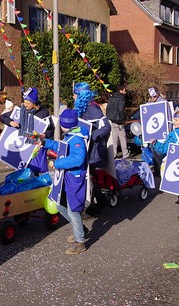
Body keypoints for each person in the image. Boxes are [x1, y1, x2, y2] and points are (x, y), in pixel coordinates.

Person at [42, 109, 89, 254]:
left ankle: (80, 242)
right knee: (60, 203)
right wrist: (45, 142)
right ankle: (80, 228)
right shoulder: (70, 135)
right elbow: (61, 147)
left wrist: (57, 163)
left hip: (74, 178)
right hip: (65, 177)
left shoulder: (76, 139)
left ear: (64, 124)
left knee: (73, 210)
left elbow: (78, 159)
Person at [73, 82, 111, 216]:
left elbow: (106, 126)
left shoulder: (93, 108)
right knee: (90, 175)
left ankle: (99, 202)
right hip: (84, 147)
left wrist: (94, 135)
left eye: (75, 94)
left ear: (81, 95)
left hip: (94, 148)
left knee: (91, 175)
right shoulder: (81, 108)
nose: (73, 97)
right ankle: (99, 201)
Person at [0, 87, 54, 174]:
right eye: (24, 102)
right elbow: (2, 117)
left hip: (35, 148)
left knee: (33, 173)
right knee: (22, 175)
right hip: (21, 148)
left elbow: (51, 130)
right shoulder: (21, 110)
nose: (25, 105)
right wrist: (10, 122)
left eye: (28, 103)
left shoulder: (43, 113)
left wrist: (44, 135)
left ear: (34, 103)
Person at [106, 85, 129, 159]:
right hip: (118, 121)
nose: (125, 92)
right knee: (122, 137)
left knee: (114, 137)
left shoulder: (111, 97)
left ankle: (114, 153)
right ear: (121, 90)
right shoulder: (121, 98)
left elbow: (108, 108)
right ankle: (125, 153)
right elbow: (121, 110)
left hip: (111, 119)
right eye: (124, 90)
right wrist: (122, 119)